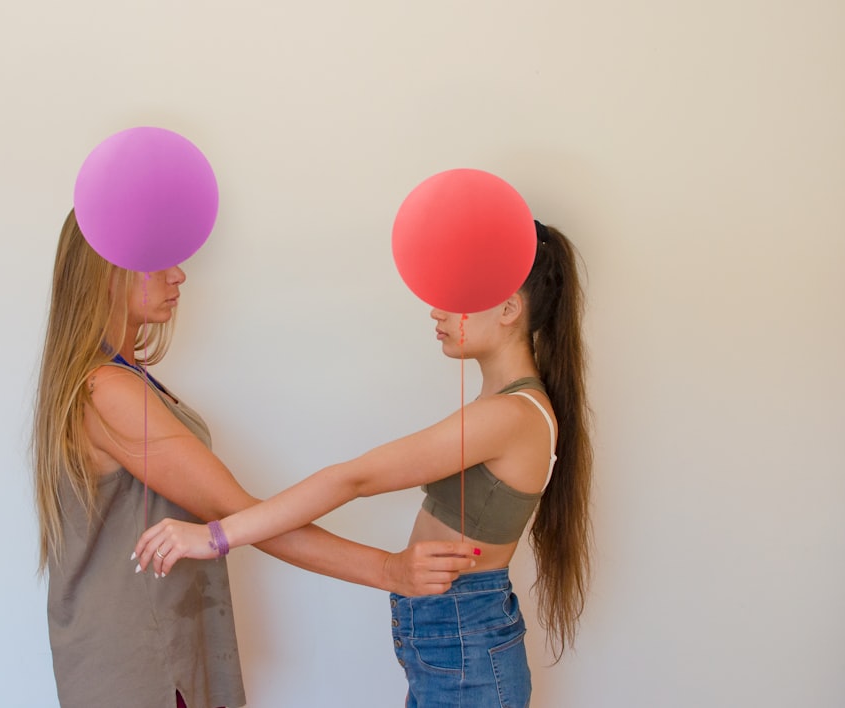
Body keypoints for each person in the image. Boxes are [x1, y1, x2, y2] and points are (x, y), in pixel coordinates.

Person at [135, 220, 593, 708]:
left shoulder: (507, 416)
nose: (437, 309)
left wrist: (216, 536)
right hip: (456, 641)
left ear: (508, 308)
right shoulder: (506, 408)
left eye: (458, 296)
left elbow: (354, 479)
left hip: (465, 645)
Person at [32, 210, 479, 708]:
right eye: (158, 263)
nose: (178, 274)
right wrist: (388, 571)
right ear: (107, 271)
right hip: (140, 663)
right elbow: (236, 511)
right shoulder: (108, 390)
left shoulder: (124, 379)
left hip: (157, 647)